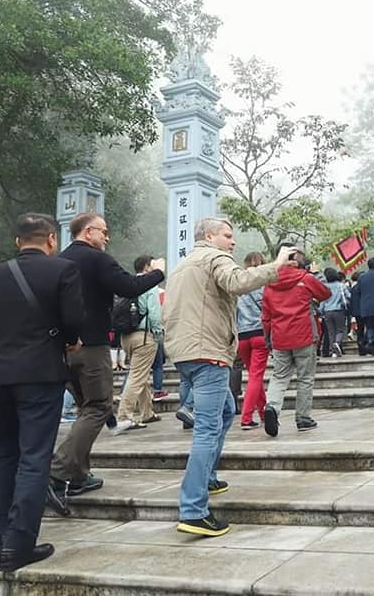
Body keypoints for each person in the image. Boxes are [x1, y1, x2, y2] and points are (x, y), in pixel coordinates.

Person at [163, 218, 291, 536]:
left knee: (223, 412)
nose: (233, 242)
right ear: (209, 236)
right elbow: (236, 282)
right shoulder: (214, 257)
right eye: (228, 235)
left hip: (184, 353)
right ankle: (193, 510)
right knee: (207, 428)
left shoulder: (183, 265)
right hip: (207, 352)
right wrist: (276, 265)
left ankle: (206, 478)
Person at [0, 213, 82, 571]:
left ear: (18, 241)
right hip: (40, 374)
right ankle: (18, 545)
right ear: (51, 239)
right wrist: (66, 341)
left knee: (1, 456)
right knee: (34, 456)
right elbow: (73, 323)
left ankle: (6, 536)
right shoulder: (62, 270)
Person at [47, 212, 164, 511]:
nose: (107, 237)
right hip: (91, 346)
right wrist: (158, 273)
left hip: (61, 350)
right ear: (88, 232)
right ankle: (57, 472)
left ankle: (79, 474)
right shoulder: (96, 259)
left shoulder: (57, 261)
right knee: (98, 406)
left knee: (87, 409)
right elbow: (129, 287)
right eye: (103, 231)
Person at [261, 245, 332, 437]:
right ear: (299, 261)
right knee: (305, 378)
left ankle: (272, 408)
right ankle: (303, 418)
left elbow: (266, 316)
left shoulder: (269, 283)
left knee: (279, 376)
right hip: (304, 335)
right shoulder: (305, 278)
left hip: (279, 337)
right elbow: (325, 293)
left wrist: (268, 338)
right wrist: (314, 276)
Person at [115, 254, 164, 432]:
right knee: (137, 376)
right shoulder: (149, 286)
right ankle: (124, 416)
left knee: (139, 373)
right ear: (147, 267)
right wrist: (159, 334)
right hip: (144, 336)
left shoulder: (127, 283)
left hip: (126, 336)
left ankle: (147, 412)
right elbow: (155, 314)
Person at [237, 252, 270, 430]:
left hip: (242, 336)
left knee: (253, 376)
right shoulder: (265, 284)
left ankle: (263, 412)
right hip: (259, 334)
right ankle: (246, 417)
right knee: (256, 376)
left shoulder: (239, 285)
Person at [319, 267, 348, 357]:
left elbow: (323, 300)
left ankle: (333, 351)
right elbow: (348, 296)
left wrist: (320, 310)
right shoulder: (341, 285)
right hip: (339, 310)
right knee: (340, 330)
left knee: (331, 332)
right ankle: (337, 343)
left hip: (327, 311)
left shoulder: (325, 286)